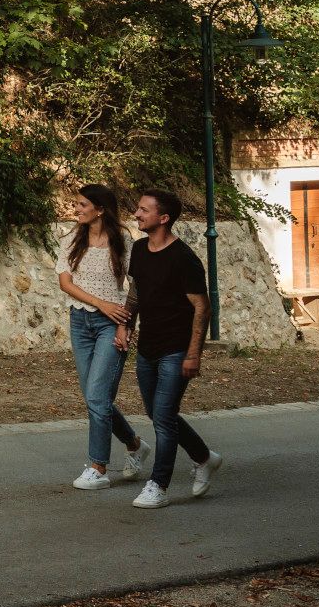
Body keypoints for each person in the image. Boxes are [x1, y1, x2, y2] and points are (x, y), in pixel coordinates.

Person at [121, 188, 220, 510]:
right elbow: (136, 292)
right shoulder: (138, 249)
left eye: (143, 210)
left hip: (176, 350)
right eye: (138, 209)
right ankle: (204, 457)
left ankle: (158, 485)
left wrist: (194, 354)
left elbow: (202, 307)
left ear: (163, 218)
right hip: (148, 348)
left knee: (163, 417)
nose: (136, 214)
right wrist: (126, 325)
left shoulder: (184, 258)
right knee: (158, 413)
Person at [54, 183, 147, 488]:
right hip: (80, 322)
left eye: (82, 204)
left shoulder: (123, 242)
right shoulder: (71, 240)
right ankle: (134, 445)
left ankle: (98, 468)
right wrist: (100, 303)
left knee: (96, 396)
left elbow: (136, 287)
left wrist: (125, 324)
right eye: (76, 204)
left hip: (113, 324)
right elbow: (66, 284)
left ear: (100, 209)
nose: (76, 209)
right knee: (96, 397)